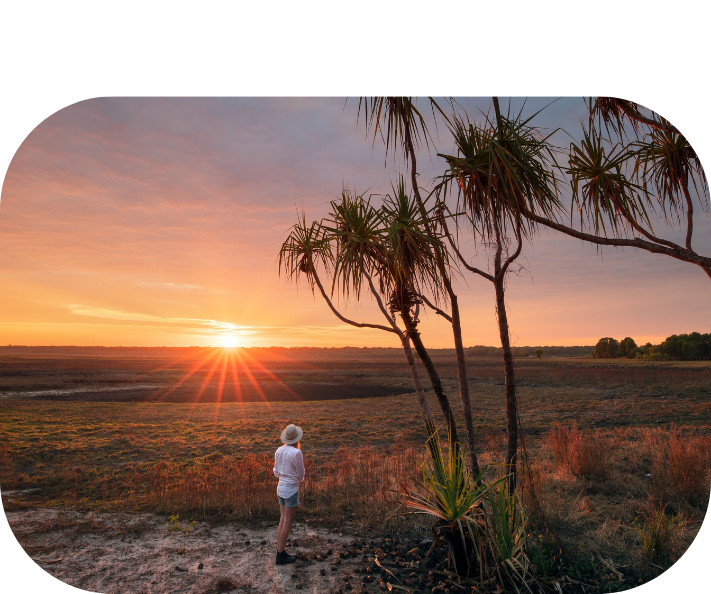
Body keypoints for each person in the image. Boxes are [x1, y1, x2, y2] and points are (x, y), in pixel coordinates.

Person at [273, 423, 304, 565]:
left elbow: (276, 472)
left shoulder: (279, 450)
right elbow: (300, 474)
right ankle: (280, 556)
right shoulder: (297, 453)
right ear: (297, 439)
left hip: (280, 489)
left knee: (282, 520)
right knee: (287, 523)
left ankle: (280, 551)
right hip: (291, 490)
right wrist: (299, 479)